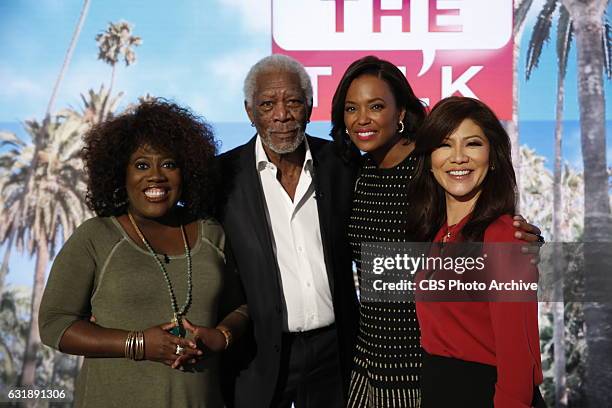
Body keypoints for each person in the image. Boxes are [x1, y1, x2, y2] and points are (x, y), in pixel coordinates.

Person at [329, 56, 543, 408]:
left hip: (421, 366)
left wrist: (522, 242)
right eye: (351, 108)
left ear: (401, 113)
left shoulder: (429, 169)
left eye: (377, 106)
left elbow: (485, 228)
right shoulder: (351, 171)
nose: (362, 118)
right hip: (370, 359)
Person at [39, 100, 249, 408]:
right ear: (119, 174)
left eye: (169, 164)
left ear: (187, 171)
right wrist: (137, 343)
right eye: (141, 165)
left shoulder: (211, 233)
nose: (156, 176)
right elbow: (54, 324)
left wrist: (221, 335)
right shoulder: (96, 236)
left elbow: (242, 307)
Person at [216, 54, 359, 408]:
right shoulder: (220, 178)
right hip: (257, 355)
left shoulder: (343, 164)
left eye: (293, 101)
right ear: (250, 112)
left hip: (336, 352)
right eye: (267, 104)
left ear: (309, 107)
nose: (282, 115)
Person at [408, 96, 544, 407]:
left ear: (493, 157)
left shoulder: (504, 237)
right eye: (444, 145)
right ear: (429, 159)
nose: (458, 158)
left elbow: (517, 362)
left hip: (486, 394)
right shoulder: (439, 233)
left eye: (472, 144)